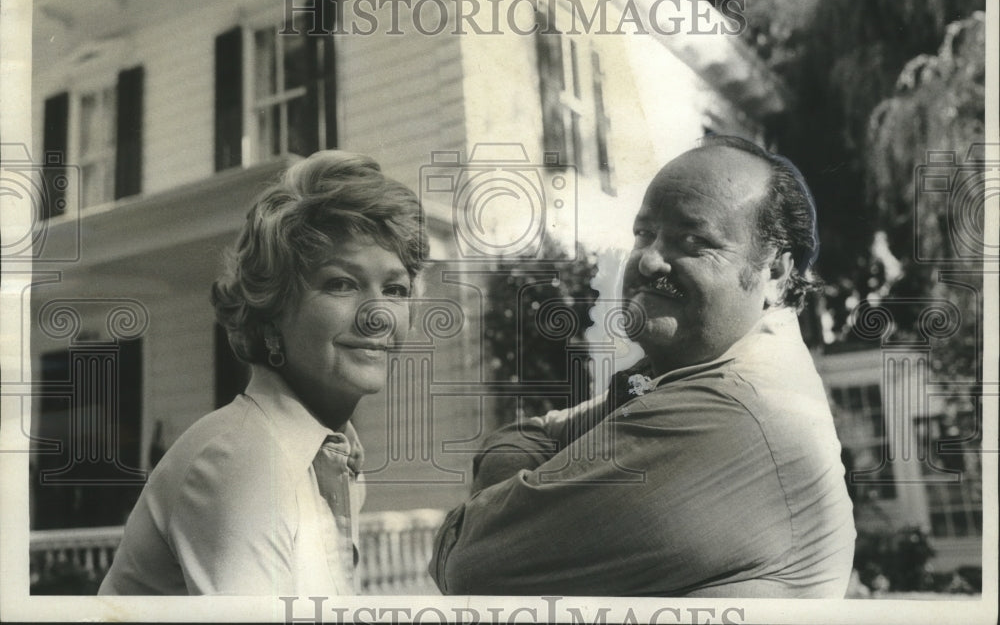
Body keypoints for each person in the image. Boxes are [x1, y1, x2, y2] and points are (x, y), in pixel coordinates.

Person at [430, 135, 855, 597]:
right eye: (643, 233)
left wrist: (496, 503)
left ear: (775, 272)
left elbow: (470, 563)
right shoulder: (701, 373)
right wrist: (517, 486)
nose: (649, 260)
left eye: (693, 241)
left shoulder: (730, 403)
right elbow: (530, 434)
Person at [99, 151, 426, 595]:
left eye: (395, 289)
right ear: (272, 312)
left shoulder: (332, 458)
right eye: (341, 284)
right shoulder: (243, 460)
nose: (379, 317)